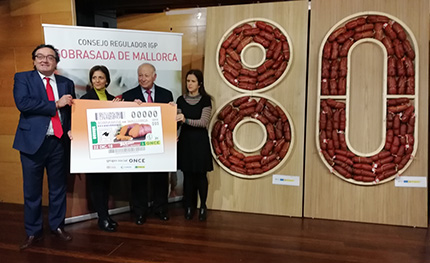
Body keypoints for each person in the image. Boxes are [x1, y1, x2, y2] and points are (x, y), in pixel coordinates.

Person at [13, 44, 75, 250]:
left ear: (56, 62)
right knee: (32, 190)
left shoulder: (67, 82)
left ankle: (57, 225)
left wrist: (73, 129)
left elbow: (72, 113)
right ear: (34, 60)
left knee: (58, 188)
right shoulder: (23, 78)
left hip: (58, 142)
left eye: (50, 57)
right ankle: (33, 231)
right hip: (32, 143)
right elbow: (23, 104)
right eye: (40, 56)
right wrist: (56, 104)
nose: (44, 60)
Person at [122, 63, 173, 225]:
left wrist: (173, 111)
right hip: (138, 145)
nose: (142, 79)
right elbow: (123, 123)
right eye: (140, 75)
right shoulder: (129, 95)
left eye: (146, 75)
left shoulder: (166, 94)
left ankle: (160, 209)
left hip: (160, 144)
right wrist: (130, 108)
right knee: (139, 179)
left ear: (154, 76)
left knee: (161, 178)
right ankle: (140, 211)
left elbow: (171, 121)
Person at [81, 65, 119, 232]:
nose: (97, 80)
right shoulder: (84, 99)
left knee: (106, 184)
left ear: (107, 81)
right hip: (92, 149)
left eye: (101, 77)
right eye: (94, 77)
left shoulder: (113, 99)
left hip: (110, 149)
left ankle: (106, 215)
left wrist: (119, 108)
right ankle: (102, 218)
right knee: (97, 184)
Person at [176, 69, 213, 221]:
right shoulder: (180, 99)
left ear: (199, 84)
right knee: (188, 176)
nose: (189, 84)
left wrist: (186, 120)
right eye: (188, 81)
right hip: (185, 141)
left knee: (201, 176)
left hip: (200, 142)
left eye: (193, 81)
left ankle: (202, 205)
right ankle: (189, 206)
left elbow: (203, 122)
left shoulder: (205, 100)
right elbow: (177, 121)